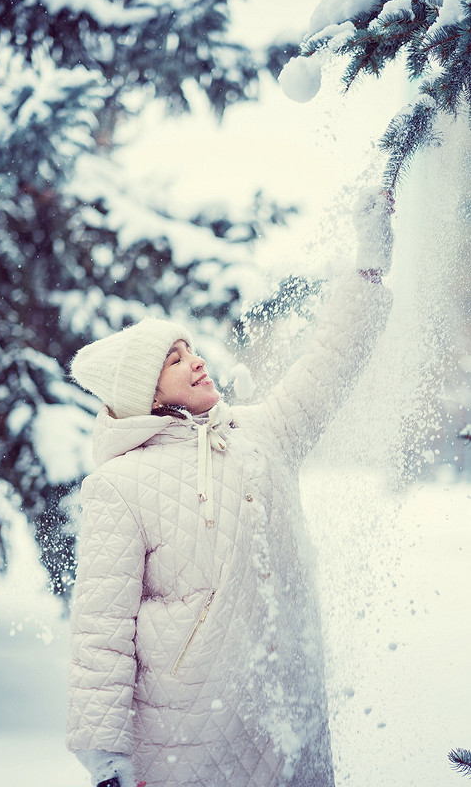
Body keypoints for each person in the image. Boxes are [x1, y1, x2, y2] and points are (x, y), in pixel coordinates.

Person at [66, 189, 394, 787]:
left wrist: (368, 269)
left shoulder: (261, 436)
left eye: (190, 348)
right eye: (173, 359)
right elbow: (100, 632)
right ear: (147, 394)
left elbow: (327, 366)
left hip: (290, 720)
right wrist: (106, 762)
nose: (195, 361)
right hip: (189, 742)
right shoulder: (117, 485)